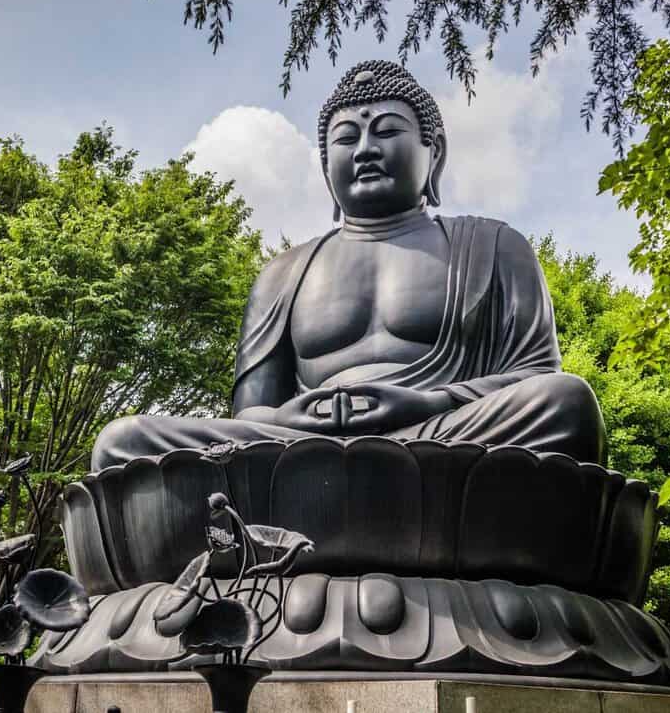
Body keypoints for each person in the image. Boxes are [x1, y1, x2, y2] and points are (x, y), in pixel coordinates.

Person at [92, 60, 604, 469]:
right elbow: (251, 415)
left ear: (435, 153)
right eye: (345, 138)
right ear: (324, 165)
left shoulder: (494, 246)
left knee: (566, 404)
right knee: (125, 442)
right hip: (302, 450)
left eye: (386, 131)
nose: (365, 150)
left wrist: (425, 403)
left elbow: (533, 377)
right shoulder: (283, 274)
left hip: (443, 437)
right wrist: (294, 417)